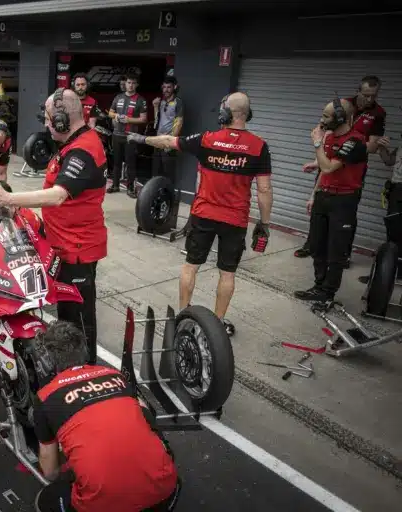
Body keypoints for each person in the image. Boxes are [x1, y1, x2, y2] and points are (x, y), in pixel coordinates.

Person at [0, 89, 107, 363]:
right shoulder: (74, 144)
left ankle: (85, 374)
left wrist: (8, 197)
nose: (45, 125)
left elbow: (58, 195)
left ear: (61, 120)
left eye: (48, 119)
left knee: (78, 323)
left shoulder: (83, 151)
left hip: (76, 249)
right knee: (63, 315)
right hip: (62, 241)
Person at [128, 92, 273, 336]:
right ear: (247, 114)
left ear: (225, 113)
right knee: (227, 273)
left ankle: (184, 316)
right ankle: (217, 324)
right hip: (234, 220)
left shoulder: (207, 139)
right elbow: (265, 189)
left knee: (190, 266)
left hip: (203, 215)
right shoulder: (259, 147)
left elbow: (167, 141)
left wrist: (142, 139)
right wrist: (265, 223)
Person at [33, 321, 180, 512]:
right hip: (165, 492)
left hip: (103, 506)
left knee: (44, 500)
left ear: (48, 363)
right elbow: (146, 414)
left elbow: (51, 472)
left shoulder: (45, 397)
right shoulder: (115, 375)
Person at [296, 76, 390, 260]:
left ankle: (343, 253)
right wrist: (320, 159)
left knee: (347, 211)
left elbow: (371, 146)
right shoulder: (343, 105)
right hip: (329, 160)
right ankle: (312, 244)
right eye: (366, 95)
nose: (370, 99)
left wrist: (350, 143)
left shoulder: (378, 113)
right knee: (318, 203)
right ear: (358, 91)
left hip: (353, 165)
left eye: (374, 95)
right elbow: (323, 131)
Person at [294, 99, 368, 302]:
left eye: (327, 116)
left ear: (342, 118)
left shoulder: (355, 141)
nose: (322, 119)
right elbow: (323, 170)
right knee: (317, 246)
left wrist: (317, 143)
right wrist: (314, 194)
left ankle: (328, 293)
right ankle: (319, 287)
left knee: (336, 250)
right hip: (324, 196)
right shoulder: (329, 137)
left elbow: (329, 167)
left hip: (343, 201)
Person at [107, 73, 149, 197]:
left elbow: (144, 119)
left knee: (131, 162)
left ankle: (130, 188)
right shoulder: (118, 97)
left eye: (133, 83)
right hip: (117, 134)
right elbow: (110, 113)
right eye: (129, 82)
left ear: (137, 85)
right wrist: (116, 116)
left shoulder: (141, 100)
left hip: (131, 135)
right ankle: (115, 185)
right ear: (125, 83)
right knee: (116, 162)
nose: (130, 85)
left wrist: (129, 120)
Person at [151, 76, 184, 186]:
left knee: (168, 171)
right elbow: (157, 121)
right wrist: (155, 107)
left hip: (168, 140)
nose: (166, 90)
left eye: (169, 87)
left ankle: (170, 196)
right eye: (164, 87)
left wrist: (170, 142)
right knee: (156, 169)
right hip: (158, 139)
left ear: (174, 87)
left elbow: (179, 123)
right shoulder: (161, 102)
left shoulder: (178, 102)